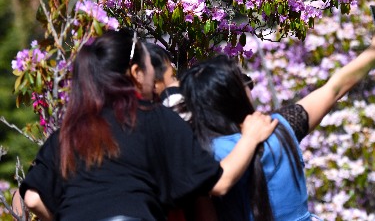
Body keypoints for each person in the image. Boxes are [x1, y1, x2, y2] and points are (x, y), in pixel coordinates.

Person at [17, 29, 278, 221]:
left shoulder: (69, 131)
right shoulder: (154, 118)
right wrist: (250, 137)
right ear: (135, 73)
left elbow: (32, 198)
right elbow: (218, 183)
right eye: (149, 64)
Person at [179, 7, 375, 221]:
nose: (250, 87)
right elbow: (335, 88)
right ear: (235, 96)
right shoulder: (280, 127)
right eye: (245, 82)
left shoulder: (198, 151)